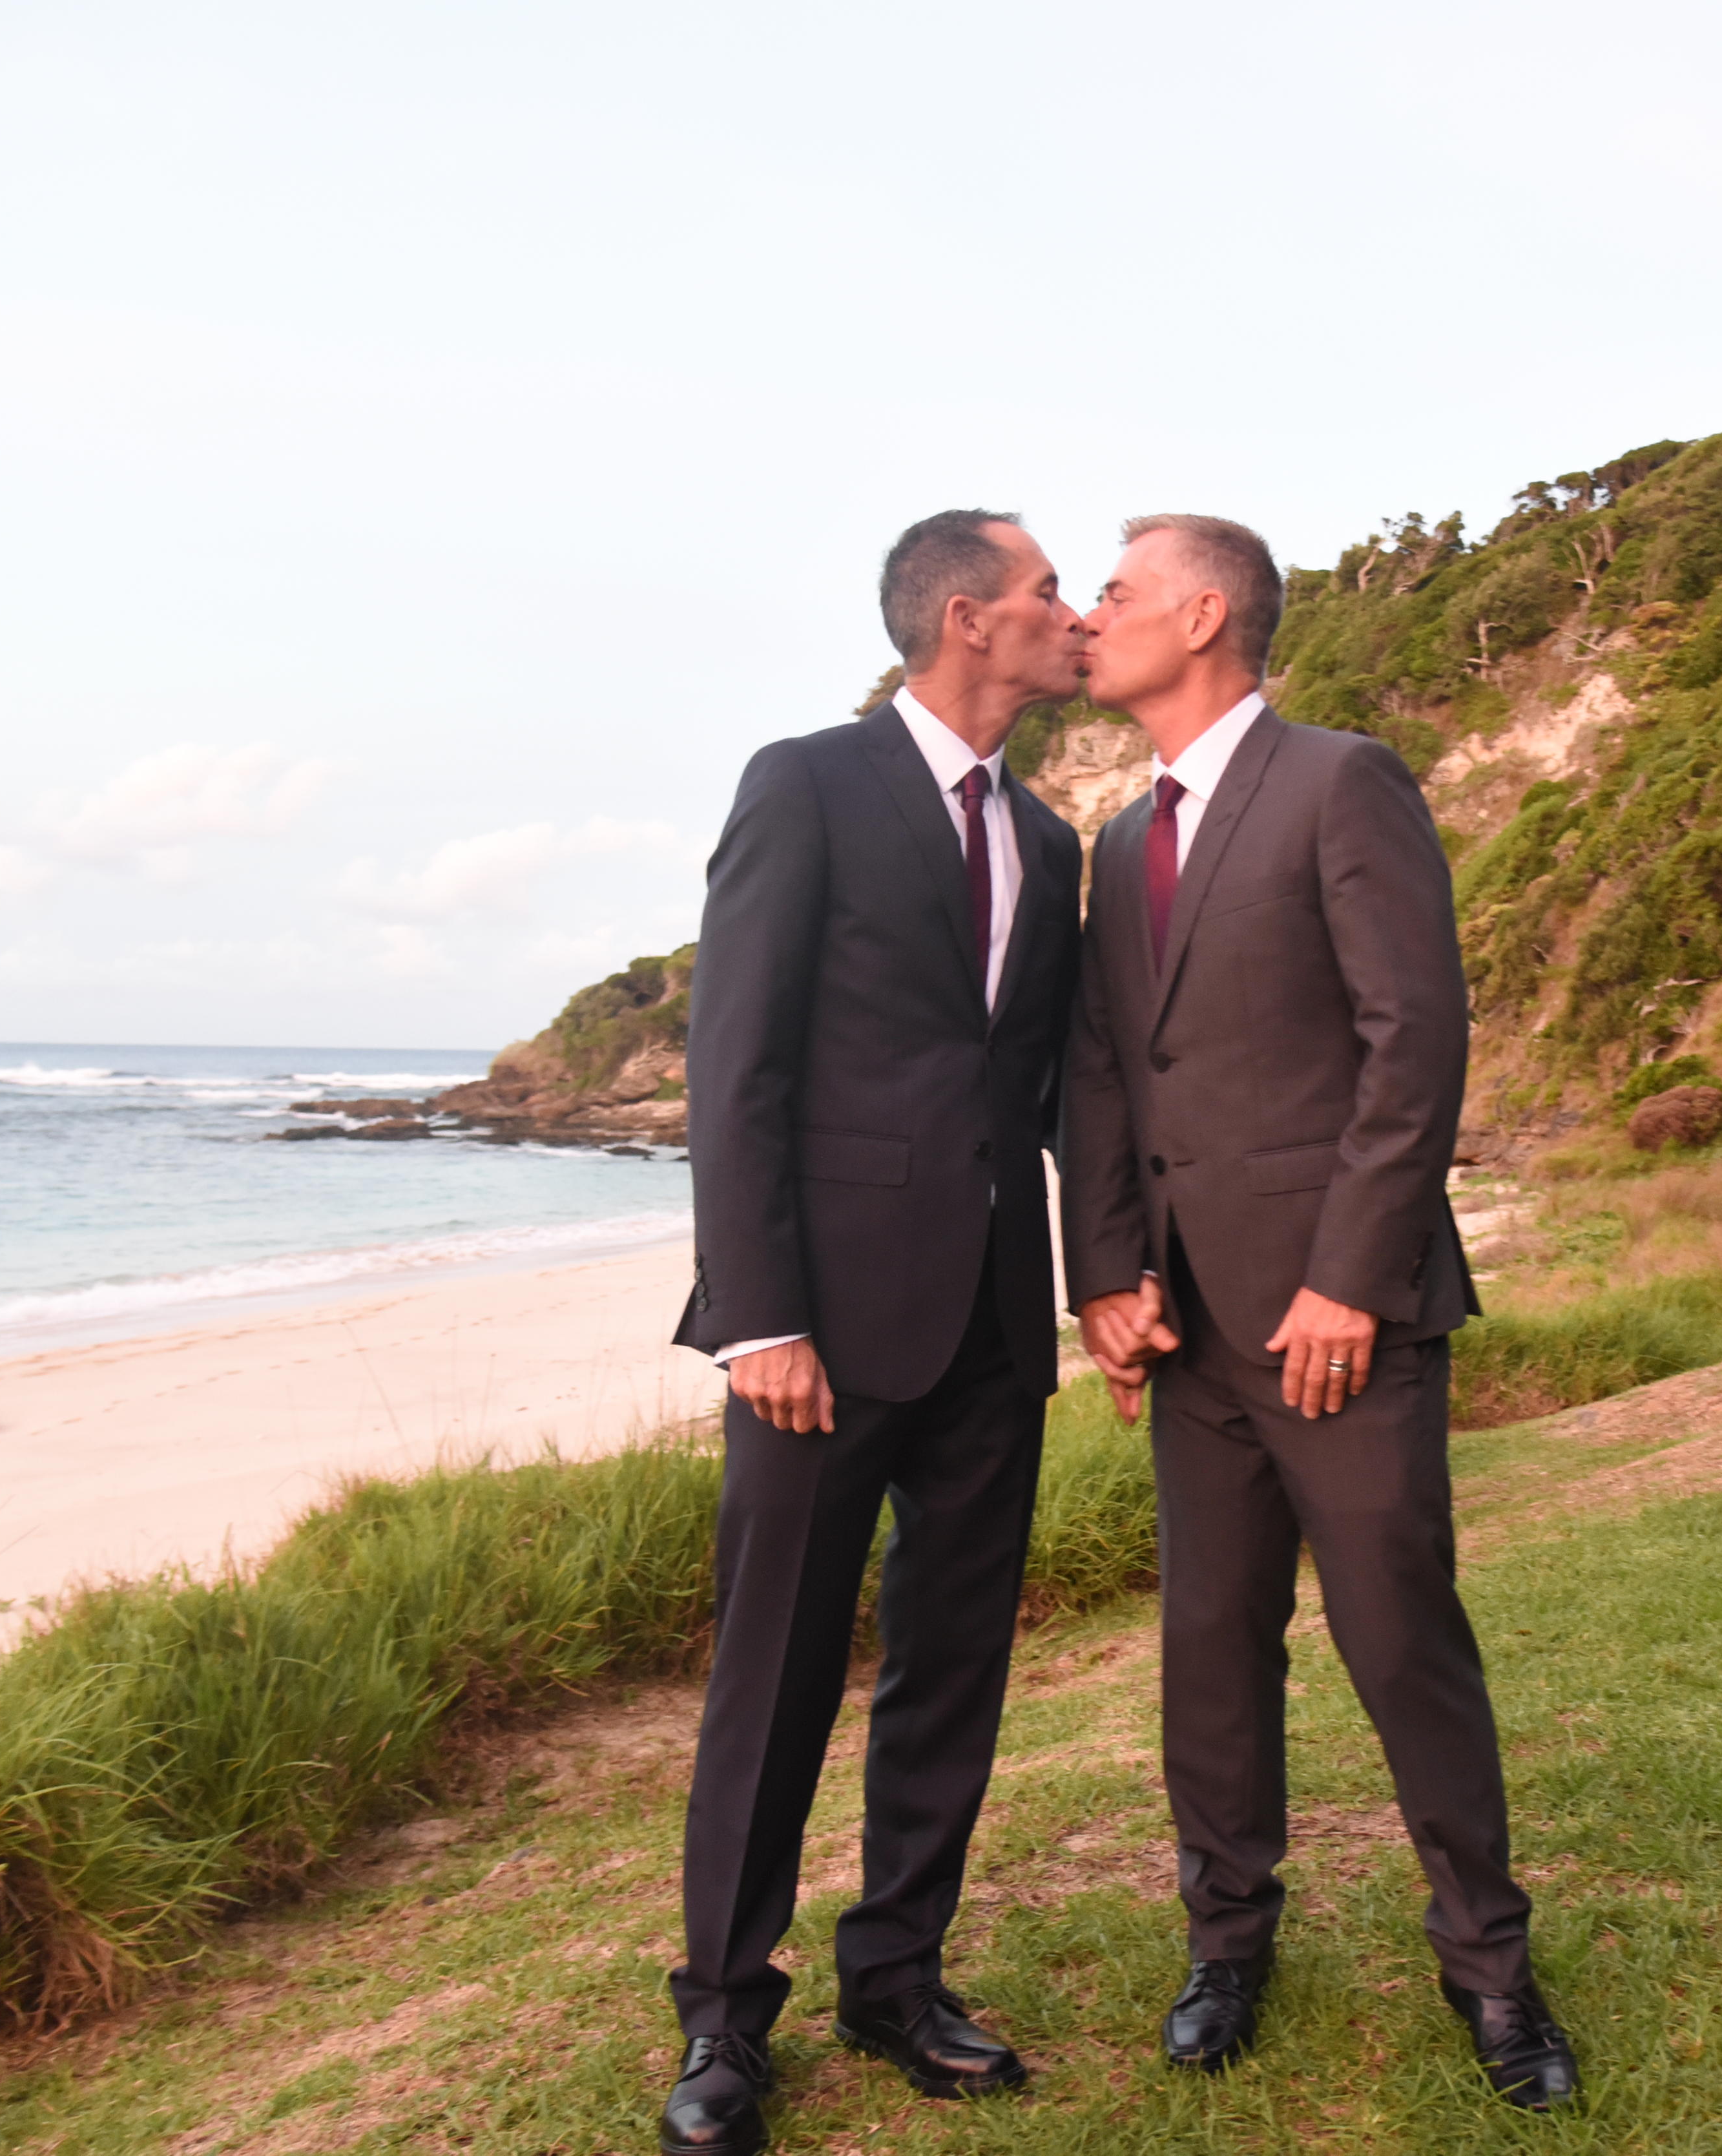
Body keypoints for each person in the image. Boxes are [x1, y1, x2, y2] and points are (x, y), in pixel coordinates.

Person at [1059, 513, 1579, 2110]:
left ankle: (1489, 1963)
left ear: (1205, 613)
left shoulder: (1339, 779)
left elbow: (1410, 1040)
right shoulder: (1111, 840)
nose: (1092, 614)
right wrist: (1106, 1273)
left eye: (1121, 590)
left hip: (1333, 1315)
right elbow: (1103, 1074)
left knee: (1397, 1633)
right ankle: (1228, 1944)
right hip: (1186, 1328)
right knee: (1210, 1648)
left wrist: (1349, 1273)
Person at [658, 510, 1087, 2156]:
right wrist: (754, 1310)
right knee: (771, 1677)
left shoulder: (1046, 845)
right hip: (815, 1332)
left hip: (991, 1322)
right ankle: (720, 2017)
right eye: (1049, 591)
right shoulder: (806, 782)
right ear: (967, 618)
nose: (1073, 616)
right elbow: (734, 1064)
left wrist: (1100, 1275)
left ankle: (897, 1975)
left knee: (953, 1669)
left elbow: (1042, 1092)